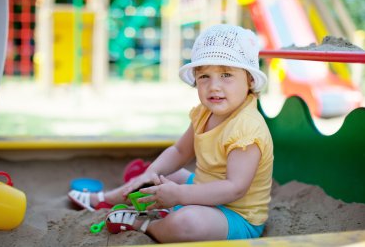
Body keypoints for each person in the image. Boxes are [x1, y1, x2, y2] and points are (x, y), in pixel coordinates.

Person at [68, 24, 273, 242]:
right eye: (204, 76)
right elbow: (179, 151)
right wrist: (150, 174)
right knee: (161, 174)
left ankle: (145, 224)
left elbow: (234, 189)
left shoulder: (247, 129)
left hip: (235, 215)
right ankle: (107, 198)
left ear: (250, 80)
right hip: (202, 190)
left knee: (187, 223)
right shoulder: (204, 113)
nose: (214, 86)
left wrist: (180, 195)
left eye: (226, 74)